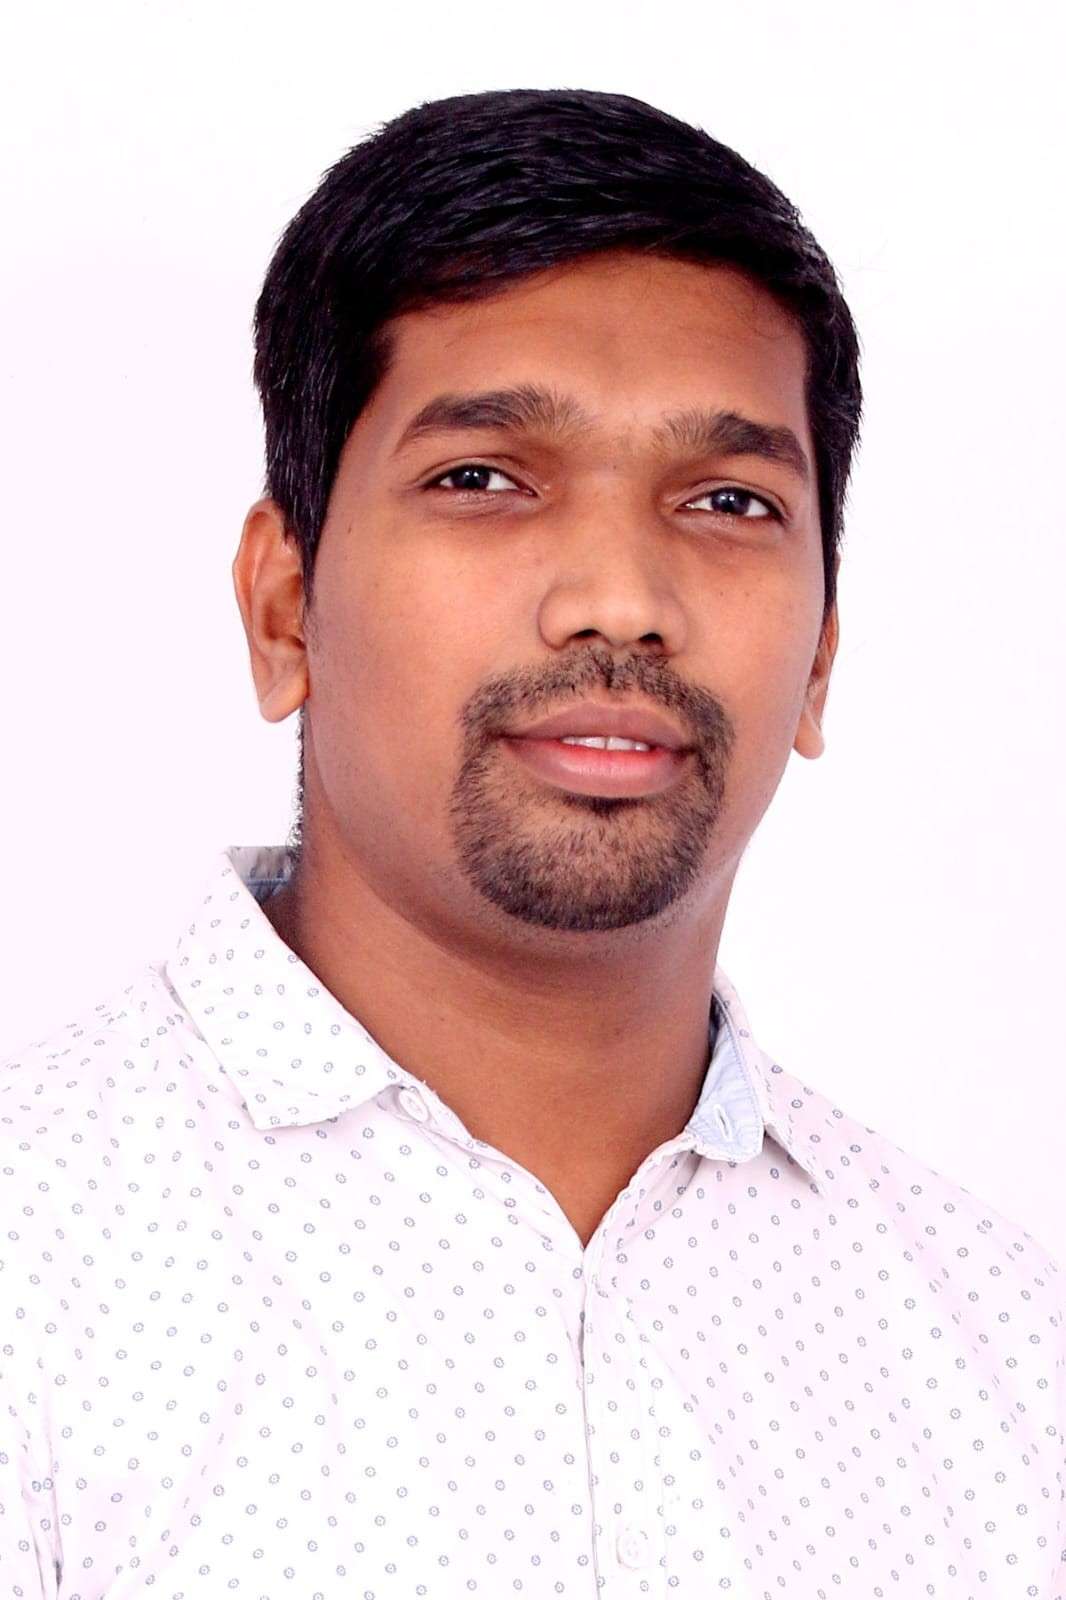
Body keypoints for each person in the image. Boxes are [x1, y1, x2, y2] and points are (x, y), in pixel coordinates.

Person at [1, 87, 1061, 1598]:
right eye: (483, 480)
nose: (617, 598)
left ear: (820, 656)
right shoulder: (35, 1276)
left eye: (727, 499)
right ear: (285, 608)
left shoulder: (1010, 1364)